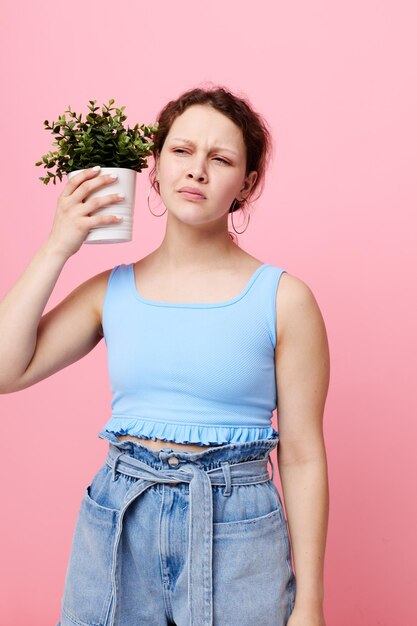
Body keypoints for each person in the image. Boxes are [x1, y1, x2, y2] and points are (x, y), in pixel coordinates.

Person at [0, 85, 330, 626]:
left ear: (245, 184)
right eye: (181, 151)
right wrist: (60, 243)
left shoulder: (284, 299)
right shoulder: (111, 291)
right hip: (120, 519)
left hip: (238, 529)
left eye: (219, 158)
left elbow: (302, 455)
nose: (196, 170)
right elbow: (5, 370)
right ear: (153, 167)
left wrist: (310, 603)